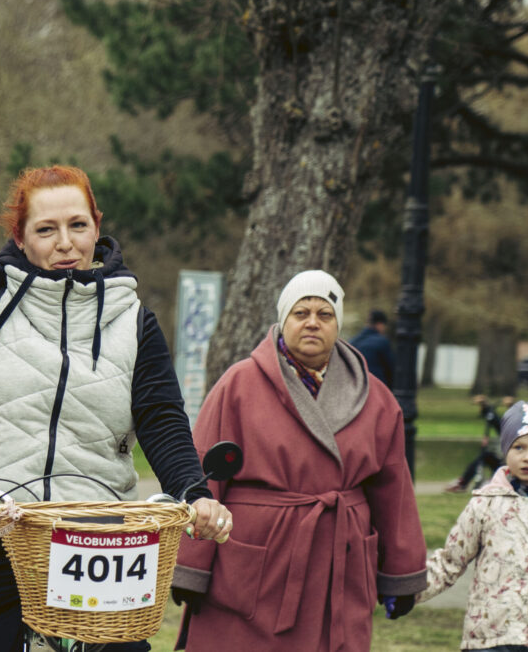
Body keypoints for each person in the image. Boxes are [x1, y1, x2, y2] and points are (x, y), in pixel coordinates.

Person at [0, 0, 232, 652]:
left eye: (77, 225)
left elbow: (159, 415)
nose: (65, 241)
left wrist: (193, 490)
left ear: (97, 227)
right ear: (23, 237)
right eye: (46, 228)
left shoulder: (133, 321)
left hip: (90, 539)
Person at [172, 270, 427, 652]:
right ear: (283, 319)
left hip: (338, 558)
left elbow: (395, 493)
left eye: (325, 314)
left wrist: (401, 573)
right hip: (254, 561)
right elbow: (204, 476)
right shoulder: (239, 384)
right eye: (301, 312)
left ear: (338, 323)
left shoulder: (375, 398)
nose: (312, 322)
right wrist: (191, 567)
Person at [417, 398, 528, 651]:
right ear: (505, 449)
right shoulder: (484, 505)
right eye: (519, 447)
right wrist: (406, 591)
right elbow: (450, 561)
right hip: (489, 637)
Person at [443, 395, 511, 493]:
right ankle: (463, 482)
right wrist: (486, 406)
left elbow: (501, 425)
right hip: (501, 462)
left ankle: (490, 482)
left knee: (490, 458)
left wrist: (511, 405)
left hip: (509, 465)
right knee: (484, 456)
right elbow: (495, 421)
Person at [349, 309, 395, 388]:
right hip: (376, 386)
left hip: (356, 386)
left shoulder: (352, 342)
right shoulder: (382, 341)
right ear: (380, 324)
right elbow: (390, 368)